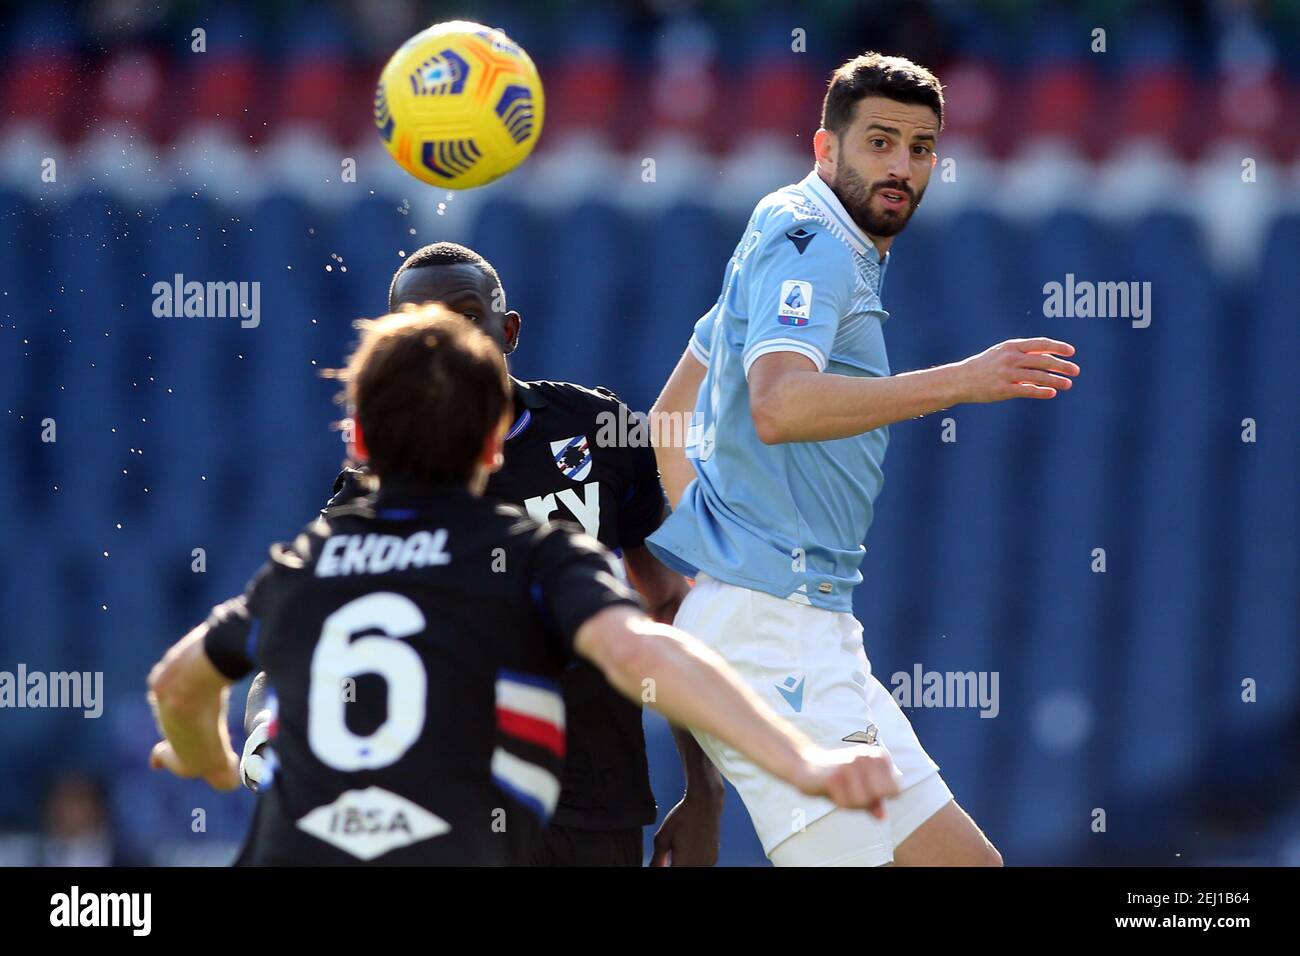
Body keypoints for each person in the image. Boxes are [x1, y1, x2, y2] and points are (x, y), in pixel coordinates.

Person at [146, 306, 902, 865]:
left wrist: (209, 758)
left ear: (363, 441)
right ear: (491, 441)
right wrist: (803, 759)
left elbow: (178, 683)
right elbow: (647, 653)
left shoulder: (307, 564)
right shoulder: (533, 558)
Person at [647, 52, 1080, 866]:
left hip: (795, 628)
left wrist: (710, 577)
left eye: (920, 149)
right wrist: (962, 380)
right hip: (777, 637)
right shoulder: (811, 242)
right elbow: (778, 406)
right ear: (825, 147)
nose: (901, 168)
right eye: (879, 142)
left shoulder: (784, 228)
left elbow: (670, 420)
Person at [241, 242, 723, 866]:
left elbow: (668, 607)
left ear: (509, 329)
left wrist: (704, 787)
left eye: (466, 317)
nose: (445, 342)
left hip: (596, 798)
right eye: (421, 326)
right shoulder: (384, 478)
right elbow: (303, 622)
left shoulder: (599, 428)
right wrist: (264, 729)